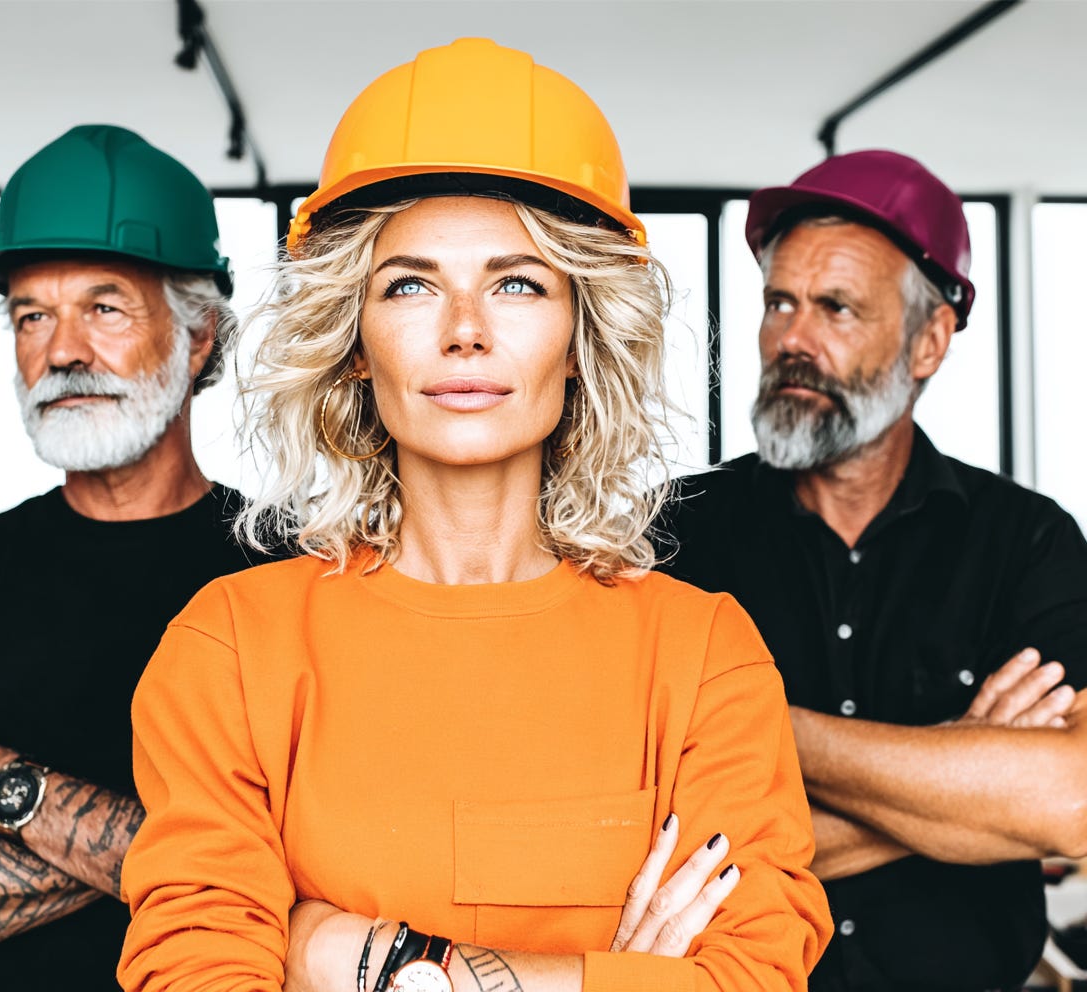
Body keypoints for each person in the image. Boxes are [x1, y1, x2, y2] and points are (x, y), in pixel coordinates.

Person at [118, 37, 831, 992]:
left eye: (518, 283)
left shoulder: (703, 657)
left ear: (580, 339)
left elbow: (755, 979)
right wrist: (612, 976)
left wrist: (369, 960)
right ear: (356, 346)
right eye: (409, 284)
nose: (464, 329)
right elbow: (194, 972)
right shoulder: (232, 650)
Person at [655, 149, 1087, 992]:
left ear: (929, 341)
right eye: (779, 302)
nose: (792, 340)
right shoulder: (674, 534)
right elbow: (640, 836)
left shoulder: (1026, 542)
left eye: (836, 308)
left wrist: (756, 731)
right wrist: (968, 768)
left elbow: (1070, 801)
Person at [0, 124, 275, 991]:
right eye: (33, 316)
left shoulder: (291, 573)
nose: (61, 352)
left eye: (104, 309)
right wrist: (210, 866)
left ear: (199, 336)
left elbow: (339, 868)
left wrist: (9, 792)